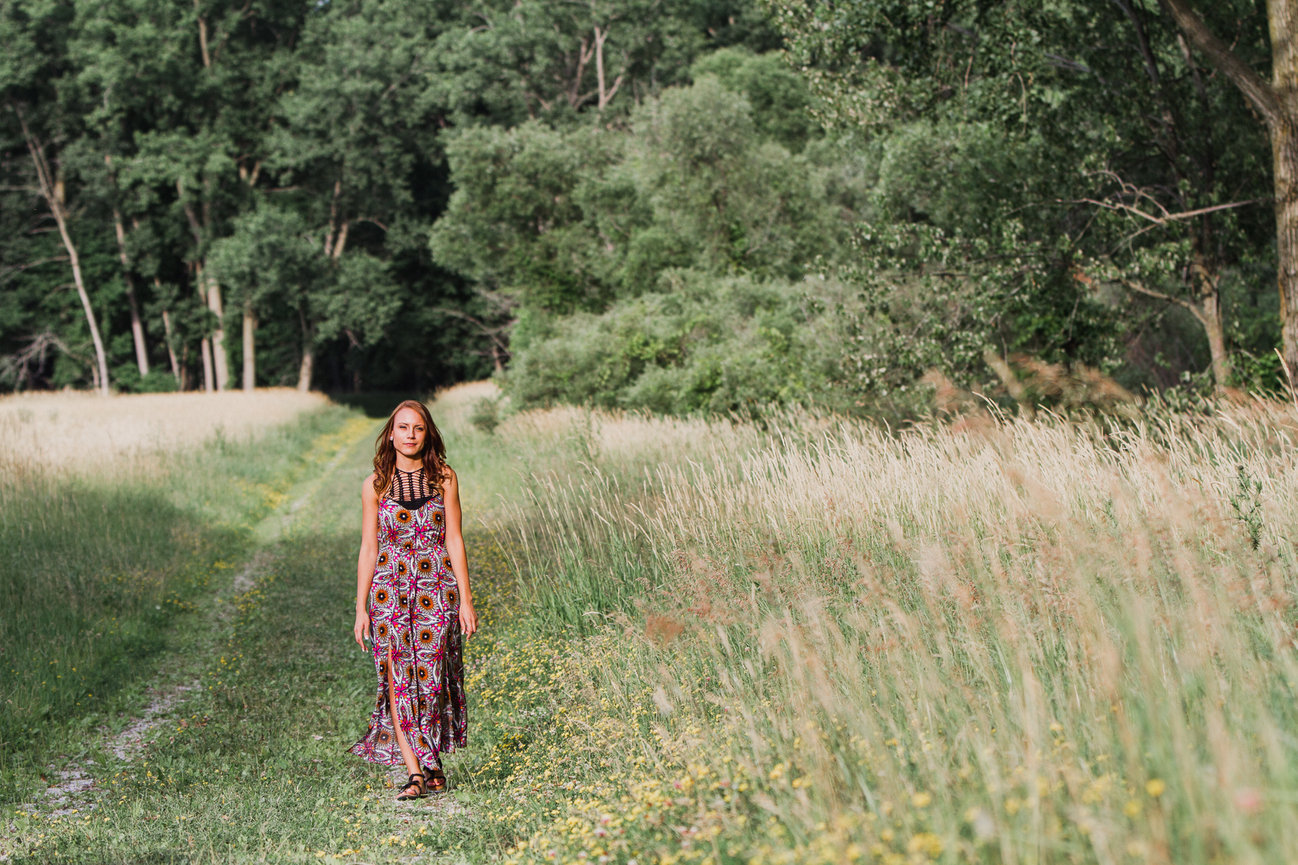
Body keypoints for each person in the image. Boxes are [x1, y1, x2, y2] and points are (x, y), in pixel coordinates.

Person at [348, 399, 477, 800]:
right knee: (398, 677)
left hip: (436, 588)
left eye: (418, 428)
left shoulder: (445, 479)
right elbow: (369, 547)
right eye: (402, 428)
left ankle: (431, 760)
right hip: (389, 590)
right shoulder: (374, 485)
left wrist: (466, 600)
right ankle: (415, 772)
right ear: (391, 434)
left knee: (432, 677)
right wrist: (360, 608)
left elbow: (454, 539)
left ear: (427, 434)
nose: (410, 435)